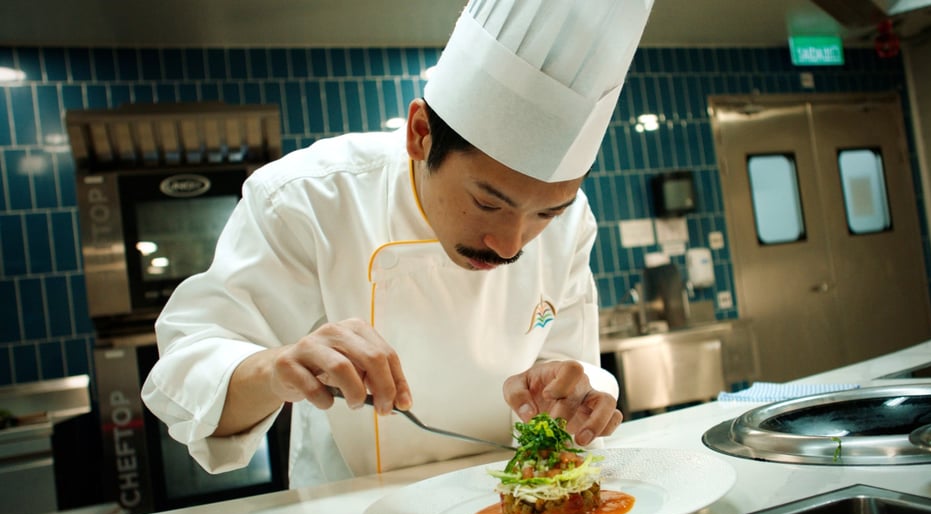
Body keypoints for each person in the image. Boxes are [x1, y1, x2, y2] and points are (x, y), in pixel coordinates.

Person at [142, 0, 654, 487]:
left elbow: (572, 361)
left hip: (513, 498)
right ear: (420, 134)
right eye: (487, 203)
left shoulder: (573, 219)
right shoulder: (307, 198)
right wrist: (275, 369)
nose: (509, 244)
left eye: (546, 213)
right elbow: (185, 372)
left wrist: (573, 394)